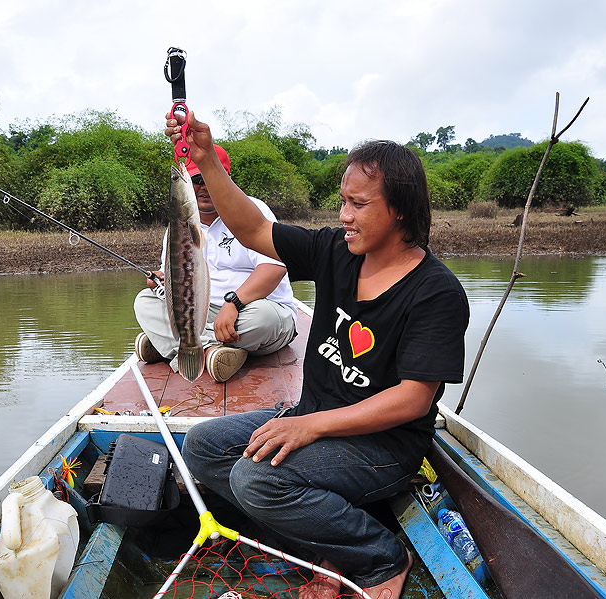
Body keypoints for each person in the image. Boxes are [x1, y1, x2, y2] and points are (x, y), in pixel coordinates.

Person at [167, 112, 469, 599]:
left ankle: (379, 556)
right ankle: (324, 540)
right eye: (342, 202)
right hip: (313, 417)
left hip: (382, 448)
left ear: (399, 210)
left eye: (359, 204)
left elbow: (413, 400)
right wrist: (205, 159)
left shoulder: (436, 293)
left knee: (256, 480)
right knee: (202, 446)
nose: (344, 215)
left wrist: (310, 426)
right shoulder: (337, 250)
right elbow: (252, 230)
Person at [133, 144, 298, 382]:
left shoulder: (252, 209)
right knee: (145, 301)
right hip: (203, 314)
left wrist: (234, 304)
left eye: (210, 177)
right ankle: (210, 351)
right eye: (196, 180)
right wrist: (162, 280)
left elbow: (274, 267)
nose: (204, 187)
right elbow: (179, 278)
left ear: (224, 179)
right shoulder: (178, 226)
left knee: (263, 319)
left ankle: (171, 344)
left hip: (253, 309)